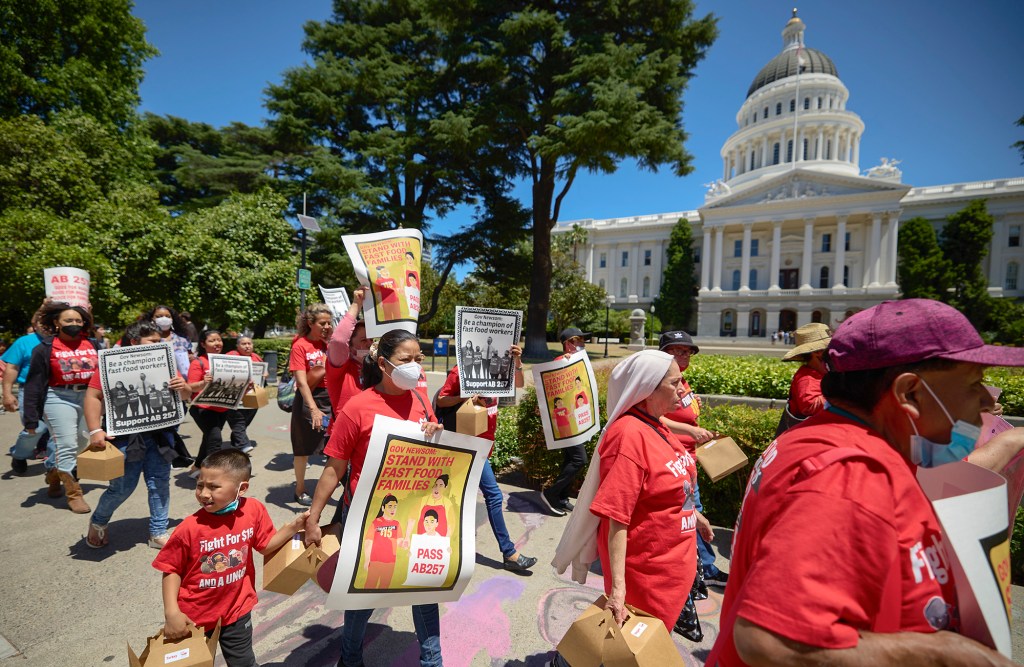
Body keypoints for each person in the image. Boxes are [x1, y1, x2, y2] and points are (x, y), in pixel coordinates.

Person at [707, 298, 1024, 666]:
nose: (987, 401)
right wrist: (941, 654)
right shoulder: (849, 472)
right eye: (974, 384)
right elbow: (772, 641)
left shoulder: (827, 438)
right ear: (910, 394)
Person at [304, 329, 444, 667]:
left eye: (418, 359)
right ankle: (350, 659)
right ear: (383, 364)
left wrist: (435, 434)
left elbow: (433, 455)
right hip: (366, 515)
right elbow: (333, 469)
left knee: (425, 588)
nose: (415, 366)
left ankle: (432, 661)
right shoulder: (358, 407)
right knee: (365, 591)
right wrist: (313, 518)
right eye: (405, 360)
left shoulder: (422, 402)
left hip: (412, 512)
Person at [551, 350, 708, 649]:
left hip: (672, 570)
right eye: (675, 383)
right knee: (631, 650)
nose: (682, 390)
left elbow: (668, 484)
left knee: (646, 647)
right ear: (647, 388)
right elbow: (616, 518)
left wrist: (695, 517)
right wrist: (618, 591)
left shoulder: (656, 423)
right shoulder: (628, 436)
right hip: (647, 576)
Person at [154, 449, 308, 666]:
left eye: (214, 487)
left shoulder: (253, 509)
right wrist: (172, 613)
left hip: (237, 610)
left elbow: (264, 546)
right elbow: (171, 569)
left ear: (241, 488)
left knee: (244, 663)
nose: (204, 493)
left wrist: (293, 527)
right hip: (194, 617)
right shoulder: (189, 528)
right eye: (200, 485)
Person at [83, 320, 192, 549]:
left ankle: (158, 531)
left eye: (160, 340)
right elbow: (93, 396)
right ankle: (99, 521)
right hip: (124, 438)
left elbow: (186, 395)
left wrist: (182, 387)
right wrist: (95, 430)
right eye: (152, 341)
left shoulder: (166, 364)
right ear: (134, 341)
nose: (159, 344)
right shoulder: (110, 365)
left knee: (159, 483)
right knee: (122, 487)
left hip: (160, 436)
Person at [435, 346, 537, 572]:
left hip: (484, 446)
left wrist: (518, 361)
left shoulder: (499, 372)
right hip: (466, 446)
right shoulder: (459, 372)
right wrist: (465, 396)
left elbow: (518, 384)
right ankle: (508, 552)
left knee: (461, 497)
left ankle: (451, 545)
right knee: (491, 495)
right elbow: (441, 400)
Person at [23, 302, 99, 513]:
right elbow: (33, 384)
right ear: (57, 323)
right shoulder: (44, 349)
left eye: (78, 320)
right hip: (58, 397)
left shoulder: (93, 344)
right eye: (68, 320)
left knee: (82, 443)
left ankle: (54, 474)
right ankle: (74, 493)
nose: (74, 324)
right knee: (66, 443)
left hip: (88, 397)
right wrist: (30, 417)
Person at [539, 327, 590, 516]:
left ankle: (561, 497)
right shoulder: (561, 362)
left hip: (576, 422)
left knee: (570, 459)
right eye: (579, 341)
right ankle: (551, 494)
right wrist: (565, 363)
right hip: (565, 425)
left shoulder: (577, 362)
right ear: (568, 344)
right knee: (579, 459)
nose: (583, 344)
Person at [289, 303, 334, 506]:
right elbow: (301, 382)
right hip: (308, 399)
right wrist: (313, 409)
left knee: (332, 447)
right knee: (303, 449)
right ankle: (300, 490)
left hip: (329, 398)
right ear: (310, 323)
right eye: (322, 323)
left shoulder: (329, 344)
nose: (327, 326)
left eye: (329, 323)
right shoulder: (300, 345)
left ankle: (325, 490)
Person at [3, 302, 51, 474]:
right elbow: (11, 368)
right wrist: (7, 394)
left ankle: (54, 468)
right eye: (40, 322)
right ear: (35, 324)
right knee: (36, 428)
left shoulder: (61, 340)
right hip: (29, 391)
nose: (44, 326)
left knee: (57, 431)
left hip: (55, 391)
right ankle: (20, 454)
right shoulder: (23, 342)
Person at [187, 330, 233, 471]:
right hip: (203, 409)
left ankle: (197, 466)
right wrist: (203, 383)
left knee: (208, 438)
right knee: (215, 440)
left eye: (219, 340)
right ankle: (213, 474)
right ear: (203, 344)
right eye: (212, 341)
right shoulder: (198, 362)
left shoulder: (227, 361)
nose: (217, 343)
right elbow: (189, 387)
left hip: (222, 408)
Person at [776, 322, 831, 435]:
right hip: (807, 434)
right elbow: (809, 406)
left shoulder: (820, 373)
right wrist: (841, 395)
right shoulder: (807, 377)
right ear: (817, 352)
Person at [226, 336, 265, 454]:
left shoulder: (256, 357)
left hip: (253, 395)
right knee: (238, 419)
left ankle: (236, 440)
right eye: (244, 344)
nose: (247, 346)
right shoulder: (231, 356)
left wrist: (265, 374)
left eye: (249, 343)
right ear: (238, 346)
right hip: (235, 395)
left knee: (245, 420)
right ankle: (243, 444)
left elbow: (263, 372)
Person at [145, 305, 192, 377]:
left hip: (182, 381)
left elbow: (190, 355)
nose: (164, 319)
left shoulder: (183, 338)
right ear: (152, 319)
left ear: (172, 319)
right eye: (159, 316)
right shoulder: (147, 339)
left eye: (168, 316)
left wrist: (191, 358)